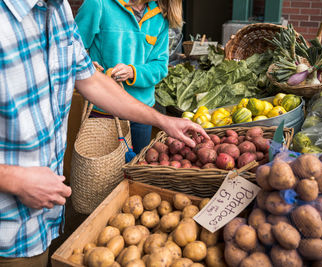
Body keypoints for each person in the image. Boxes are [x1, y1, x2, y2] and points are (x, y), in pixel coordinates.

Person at [0, 0, 207, 265]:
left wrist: (163, 121)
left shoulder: (58, 9)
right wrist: (13, 179)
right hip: (7, 230)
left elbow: (88, 78)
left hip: (43, 224)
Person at [75, 0, 182, 154]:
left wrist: (133, 72)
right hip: (105, 110)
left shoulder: (160, 16)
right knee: (102, 173)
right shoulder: (98, 4)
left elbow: (160, 66)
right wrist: (89, 64)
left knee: (135, 171)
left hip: (142, 113)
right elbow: (72, 48)